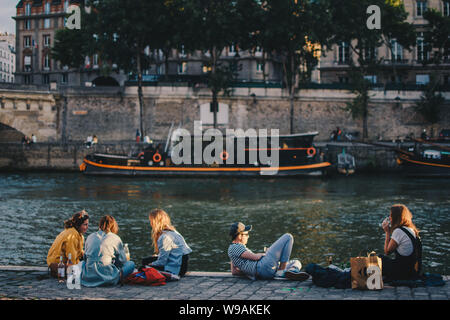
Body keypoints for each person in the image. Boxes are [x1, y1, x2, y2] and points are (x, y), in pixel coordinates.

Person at [227, 222, 309, 281]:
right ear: (239, 236)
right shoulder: (235, 247)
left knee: (296, 262)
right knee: (288, 237)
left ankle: (291, 271)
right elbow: (255, 257)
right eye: (247, 234)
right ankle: (281, 271)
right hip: (262, 267)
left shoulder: (234, 249)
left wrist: (247, 271)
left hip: (263, 270)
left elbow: (234, 272)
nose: (248, 236)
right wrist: (267, 252)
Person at [81, 215, 135, 287]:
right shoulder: (115, 238)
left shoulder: (90, 236)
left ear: (99, 225)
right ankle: (117, 277)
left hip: (88, 278)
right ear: (113, 226)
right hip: (108, 279)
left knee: (83, 263)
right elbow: (122, 262)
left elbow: (85, 258)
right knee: (131, 264)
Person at [142, 209, 192, 277]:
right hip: (182, 265)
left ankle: (169, 274)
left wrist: (151, 264)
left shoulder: (164, 237)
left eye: (150, 221)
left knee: (144, 264)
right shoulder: (174, 232)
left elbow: (162, 262)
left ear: (154, 222)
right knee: (148, 260)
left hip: (176, 268)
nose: (150, 223)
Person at [380, 204, 422, 281]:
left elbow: (387, 252)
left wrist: (387, 232)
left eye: (391, 215)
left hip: (402, 273)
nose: (389, 218)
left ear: (396, 217)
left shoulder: (398, 231)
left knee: (378, 259)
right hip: (412, 271)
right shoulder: (411, 229)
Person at [47, 210, 89, 276]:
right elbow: (71, 257)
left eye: (87, 224)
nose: (87, 227)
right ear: (78, 225)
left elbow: (80, 253)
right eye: (85, 225)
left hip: (59, 263)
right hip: (57, 264)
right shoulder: (72, 235)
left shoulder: (78, 234)